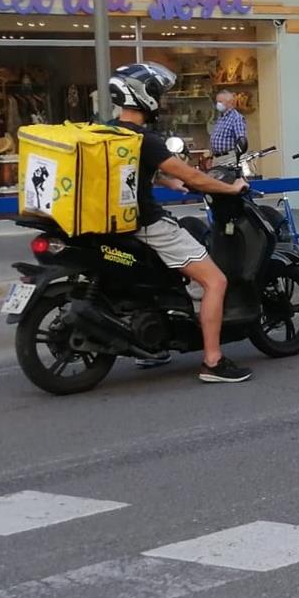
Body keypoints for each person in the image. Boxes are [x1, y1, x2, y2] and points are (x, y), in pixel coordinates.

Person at [109, 62, 254, 384]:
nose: (160, 102)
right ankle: (213, 361)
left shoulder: (107, 130)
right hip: (146, 224)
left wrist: (162, 181)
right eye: (157, 95)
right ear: (144, 97)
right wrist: (231, 187)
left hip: (113, 224)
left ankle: (151, 347)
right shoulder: (146, 139)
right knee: (215, 281)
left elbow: (126, 172)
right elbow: (192, 176)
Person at [209, 88, 248, 159]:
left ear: (229, 102)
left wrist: (237, 157)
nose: (218, 104)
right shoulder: (220, 118)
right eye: (217, 102)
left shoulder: (236, 118)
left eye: (220, 101)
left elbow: (241, 141)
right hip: (217, 158)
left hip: (229, 158)